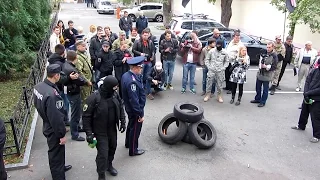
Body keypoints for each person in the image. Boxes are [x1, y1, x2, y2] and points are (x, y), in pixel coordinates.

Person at [33, 64, 72, 180]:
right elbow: (56, 117)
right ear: (56, 76)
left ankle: (61, 167)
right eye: (59, 74)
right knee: (55, 153)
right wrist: (61, 134)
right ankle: (58, 175)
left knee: (58, 152)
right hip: (54, 128)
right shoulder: (52, 94)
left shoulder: (39, 86)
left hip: (47, 123)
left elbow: (38, 105)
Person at [83, 76, 126, 180]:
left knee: (112, 148)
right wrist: (89, 133)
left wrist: (123, 120)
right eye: (114, 87)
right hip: (99, 131)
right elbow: (86, 117)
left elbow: (120, 106)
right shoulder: (94, 98)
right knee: (103, 154)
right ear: (108, 87)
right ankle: (101, 174)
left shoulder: (114, 95)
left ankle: (109, 165)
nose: (116, 89)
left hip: (112, 129)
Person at [62, 51, 92, 141]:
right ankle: (75, 134)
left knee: (76, 112)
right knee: (75, 113)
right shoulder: (72, 69)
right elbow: (80, 81)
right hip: (74, 92)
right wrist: (85, 81)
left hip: (70, 90)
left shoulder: (65, 65)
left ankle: (77, 127)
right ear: (75, 58)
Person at [121, 56, 146, 156]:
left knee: (131, 126)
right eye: (140, 67)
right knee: (135, 129)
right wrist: (139, 114)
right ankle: (133, 149)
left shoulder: (126, 75)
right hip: (135, 110)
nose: (141, 69)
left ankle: (128, 143)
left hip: (129, 108)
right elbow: (134, 100)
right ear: (135, 68)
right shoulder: (132, 81)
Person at [291, 58, 320, 142]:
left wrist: (308, 93)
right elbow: (307, 81)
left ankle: (316, 136)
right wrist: (305, 93)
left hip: (317, 98)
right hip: (308, 95)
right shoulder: (314, 71)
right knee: (304, 112)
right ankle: (301, 126)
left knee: (316, 117)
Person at [250, 42, 278, 107]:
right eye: (267, 47)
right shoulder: (264, 52)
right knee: (258, 87)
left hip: (267, 74)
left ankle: (263, 101)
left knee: (265, 89)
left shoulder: (274, 55)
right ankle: (257, 99)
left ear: (273, 47)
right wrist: (260, 65)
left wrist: (266, 67)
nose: (268, 49)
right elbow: (260, 60)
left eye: (269, 47)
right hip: (260, 73)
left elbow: (274, 66)